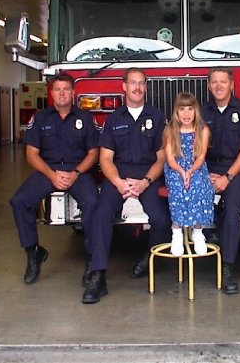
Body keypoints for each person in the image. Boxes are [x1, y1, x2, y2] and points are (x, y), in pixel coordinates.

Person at [83, 67, 171, 304]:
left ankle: (149, 258)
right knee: (101, 213)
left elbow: (161, 158)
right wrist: (118, 183)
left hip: (147, 176)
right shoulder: (113, 119)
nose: (137, 87)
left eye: (141, 83)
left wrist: (145, 183)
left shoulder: (157, 117)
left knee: (162, 220)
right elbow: (105, 159)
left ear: (146, 87)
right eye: (133, 83)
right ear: (124, 86)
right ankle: (98, 275)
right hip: (119, 176)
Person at [9, 73, 99, 286]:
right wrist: (52, 175)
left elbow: (93, 153)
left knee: (93, 202)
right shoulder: (40, 118)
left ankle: (92, 260)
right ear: (52, 93)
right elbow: (31, 154)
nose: (62, 94)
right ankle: (33, 252)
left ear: (73, 92)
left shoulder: (85, 118)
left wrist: (75, 174)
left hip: (77, 172)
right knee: (19, 201)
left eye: (66, 89)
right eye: (57, 89)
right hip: (48, 171)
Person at [201, 67, 240, 294]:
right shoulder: (201, 111)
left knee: (233, 209)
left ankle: (226, 269)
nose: (219, 86)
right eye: (214, 82)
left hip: (237, 169)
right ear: (209, 86)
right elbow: (192, 145)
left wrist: (228, 176)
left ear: (231, 84)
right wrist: (203, 173)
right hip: (208, 168)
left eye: (223, 82)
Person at [163, 92, 214, 257]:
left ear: (196, 111)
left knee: (198, 184)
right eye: (182, 109)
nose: (186, 113)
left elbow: (201, 156)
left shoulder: (203, 130)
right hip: (176, 167)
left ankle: (197, 230)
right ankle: (176, 231)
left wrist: (190, 171)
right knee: (178, 185)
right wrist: (181, 171)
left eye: (190, 109)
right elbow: (170, 159)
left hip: (196, 166)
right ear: (176, 112)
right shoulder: (170, 130)